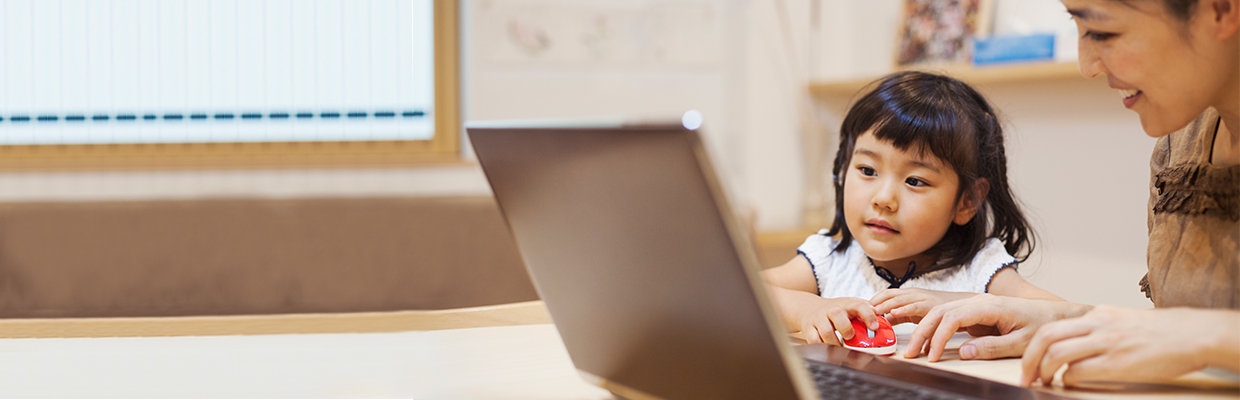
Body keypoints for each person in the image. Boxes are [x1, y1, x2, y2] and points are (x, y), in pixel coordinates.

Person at [900, 0, 1240, 387]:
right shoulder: (1180, 145)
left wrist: (1197, 337)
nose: (1087, 66)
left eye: (1103, 32)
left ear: (1221, 10)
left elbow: (1187, 335)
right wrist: (1060, 319)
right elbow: (1173, 335)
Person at [762, 71, 1064, 345]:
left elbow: (1062, 316)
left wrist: (967, 303)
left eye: (915, 181)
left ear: (967, 200)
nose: (883, 199)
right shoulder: (830, 258)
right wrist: (809, 309)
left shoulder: (980, 269)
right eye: (867, 170)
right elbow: (743, 290)